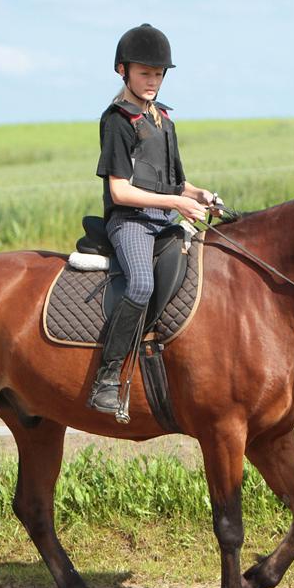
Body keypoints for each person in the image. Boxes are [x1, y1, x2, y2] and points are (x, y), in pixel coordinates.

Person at [87, 23, 216, 414]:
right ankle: (107, 377)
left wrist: (199, 194)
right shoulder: (117, 121)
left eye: (158, 74)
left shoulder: (163, 119)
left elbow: (175, 183)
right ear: (122, 70)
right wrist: (176, 203)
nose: (152, 81)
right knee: (141, 283)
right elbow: (120, 191)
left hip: (162, 221)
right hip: (130, 223)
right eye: (144, 73)